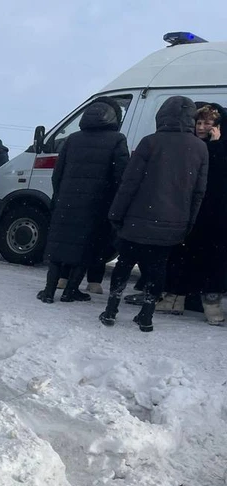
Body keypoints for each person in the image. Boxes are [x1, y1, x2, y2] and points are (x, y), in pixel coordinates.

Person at [100, 96, 208, 332]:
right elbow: (198, 192)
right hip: (172, 223)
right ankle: (146, 316)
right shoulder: (200, 148)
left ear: (162, 115)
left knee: (125, 264)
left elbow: (130, 183)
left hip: (136, 220)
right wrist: (188, 223)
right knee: (157, 268)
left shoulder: (150, 142)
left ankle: (110, 310)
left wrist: (116, 213)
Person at [37, 100, 129, 303]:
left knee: (59, 245)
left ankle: (49, 290)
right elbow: (120, 176)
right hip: (96, 204)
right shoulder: (117, 140)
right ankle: (71, 290)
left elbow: (57, 173)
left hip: (66, 201)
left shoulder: (73, 139)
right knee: (85, 247)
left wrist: (60, 195)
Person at [160, 103, 226, 324]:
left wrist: (216, 146)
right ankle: (174, 298)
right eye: (199, 122)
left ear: (218, 126)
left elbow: (217, 176)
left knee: (213, 257)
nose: (201, 127)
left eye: (208, 123)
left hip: (214, 212)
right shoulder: (190, 144)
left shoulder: (220, 147)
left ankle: (211, 305)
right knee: (181, 253)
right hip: (188, 209)